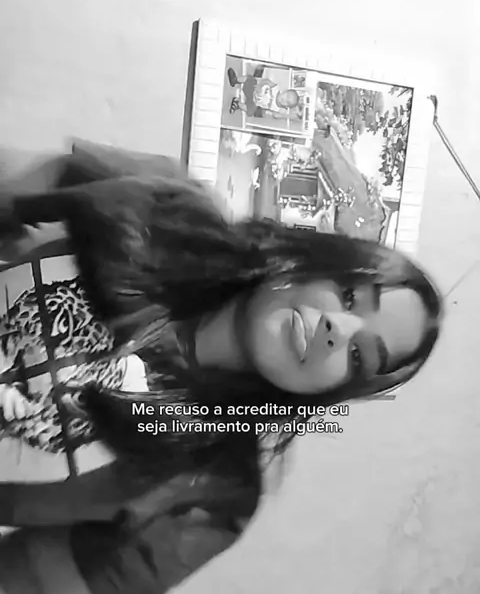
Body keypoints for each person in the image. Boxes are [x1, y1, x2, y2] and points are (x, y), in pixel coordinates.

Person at [0, 143, 443, 593]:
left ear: (334, 391)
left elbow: (41, 580)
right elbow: (40, 184)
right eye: (349, 295)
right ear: (317, 261)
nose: (337, 329)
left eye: (358, 356)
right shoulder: (170, 208)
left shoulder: (213, 495)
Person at [227, 67, 301, 118]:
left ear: (286, 107)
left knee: (251, 111)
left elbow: (275, 115)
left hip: (254, 102)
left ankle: (238, 104)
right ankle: (235, 80)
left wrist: (290, 115)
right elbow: (267, 81)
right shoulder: (276, 88)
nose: (285, 99)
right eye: (287, 96)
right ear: (284, 91)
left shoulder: (276, 109)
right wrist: (259, 85)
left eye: (287, 102)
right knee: (251, 79)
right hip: (254, 89)